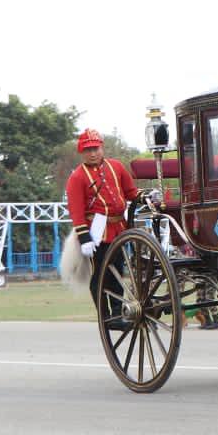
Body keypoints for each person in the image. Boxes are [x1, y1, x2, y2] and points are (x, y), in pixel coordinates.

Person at [65, 129, 142, 313]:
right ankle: (104, 314)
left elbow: (131, 192)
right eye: (88, 150)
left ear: (102, 147)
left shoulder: (116, 166)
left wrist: (145, 196)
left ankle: (117, 311)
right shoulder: (77, 177)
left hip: (119, 228)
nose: (92, 153)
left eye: (96, 148)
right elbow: (76, 211)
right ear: (81, 152)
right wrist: (84, 238)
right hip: (94, 232)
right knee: (99, 274)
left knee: (117, 271)